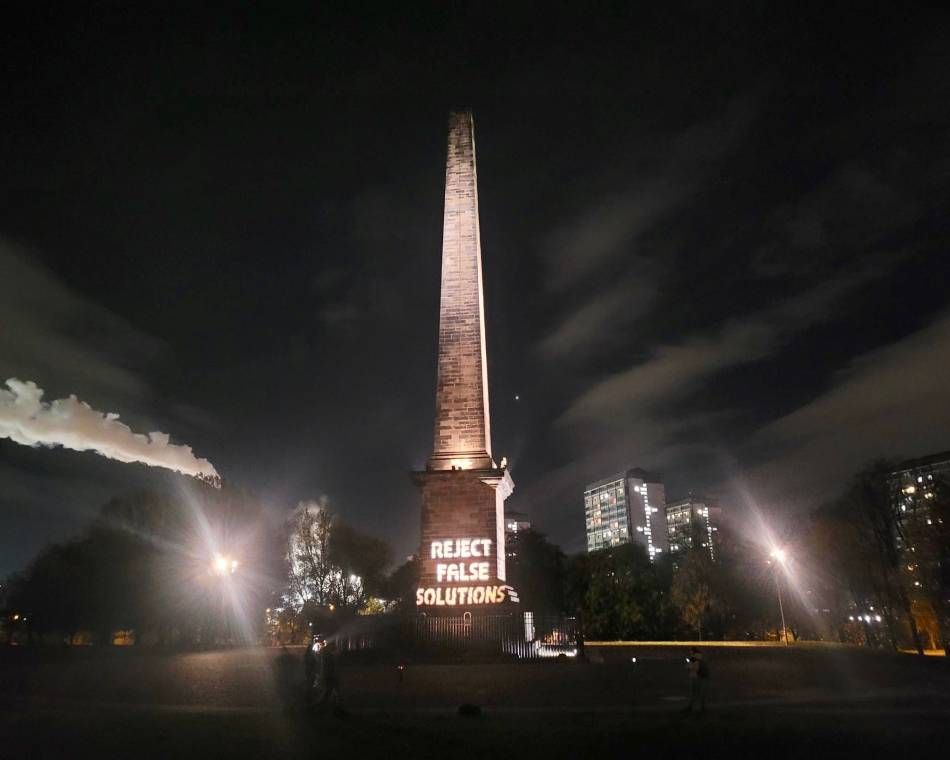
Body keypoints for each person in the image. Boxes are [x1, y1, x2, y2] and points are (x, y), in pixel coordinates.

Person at [684, 647, 709, 714]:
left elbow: (690, 667)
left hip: (696, 677)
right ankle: (702, 708)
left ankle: (691, 707)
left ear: (692, 651)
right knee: (701, 693)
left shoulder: (693, 658)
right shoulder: (700, 658)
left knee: (693, 693)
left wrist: (688, 662)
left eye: (690, 651)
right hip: (701, 677)